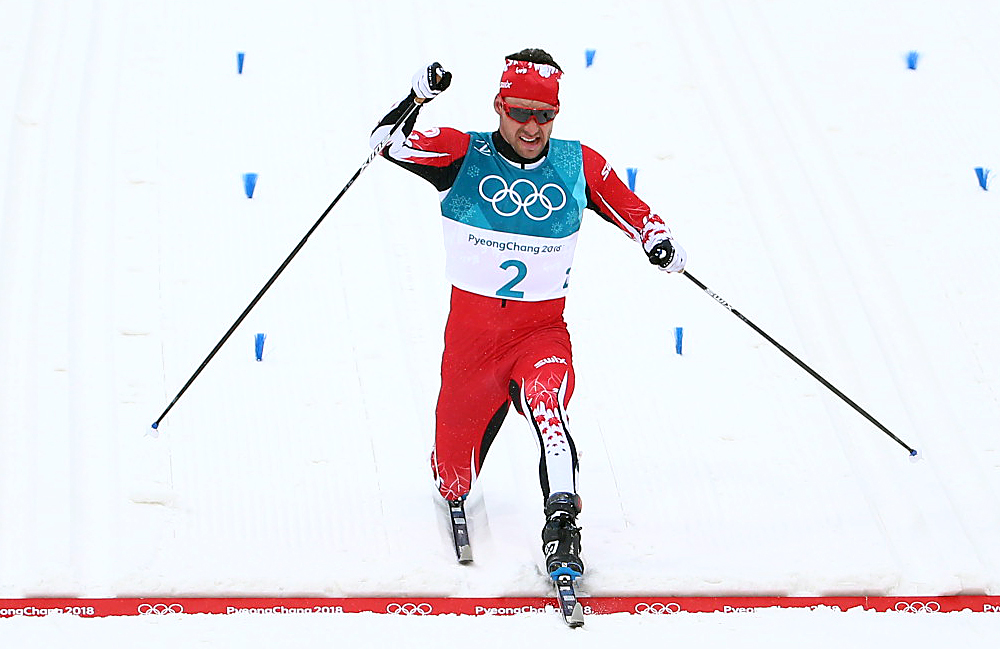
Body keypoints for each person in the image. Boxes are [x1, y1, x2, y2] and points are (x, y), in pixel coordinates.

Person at [369, 49, 686, 580]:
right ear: (499, 105)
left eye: (545, 115)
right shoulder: (461, 154)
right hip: (472, 343)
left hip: (539, 333)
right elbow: (384, 144)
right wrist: (418, 97)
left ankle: (562, 526)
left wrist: (657, 240)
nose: (532, 126)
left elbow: (636, 212)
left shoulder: (576, 163)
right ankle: (454, 482)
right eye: (520, 112)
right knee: (453, 472)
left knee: (550, 412)